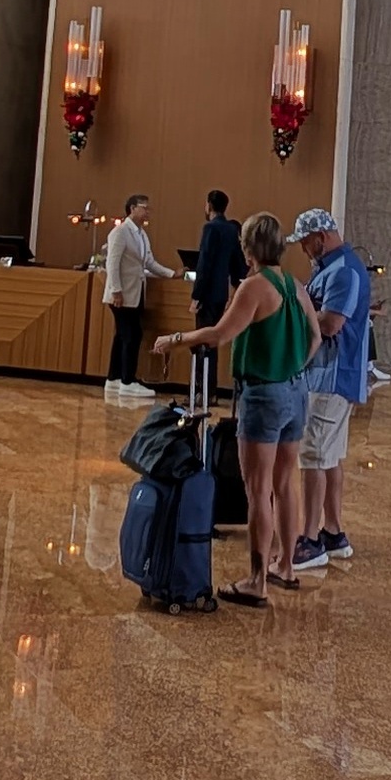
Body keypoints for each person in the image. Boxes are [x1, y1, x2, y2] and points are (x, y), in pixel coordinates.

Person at [154, 211, 315, 607]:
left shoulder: (254, 286)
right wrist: (294, 365)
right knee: (285, 483)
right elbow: (314, 335)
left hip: (263, 395)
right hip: (296, 392)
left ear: (248, 249)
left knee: (257, 489)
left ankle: (257, 581)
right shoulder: (295, 286)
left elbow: (219, 334)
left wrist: (175, 338)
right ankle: (286, 566)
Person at [290, 209, 371, 573]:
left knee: (313, 456)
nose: (303, 250)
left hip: (331, 377)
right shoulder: (330, 269)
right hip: (327, 375)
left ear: (321, 237)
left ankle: (309, 541)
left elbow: (330, 323)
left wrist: (297, 305)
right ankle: (334, 533)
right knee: (331, 456)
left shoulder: (344, 271)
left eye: (305, 242)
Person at [101, 193, 172, 404]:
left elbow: (149, 262)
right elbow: (112, 263)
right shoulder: (120, 232)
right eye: (144, 207)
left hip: (135, 292)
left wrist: (171, 274)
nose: (147, 211)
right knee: (131, 335)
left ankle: (114, 378)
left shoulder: (141, 234)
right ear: (132, 209)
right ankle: (127, 381)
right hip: (121, 294)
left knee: (123, 335)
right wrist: (116, 290)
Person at [189, 189, 245, 396]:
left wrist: (196, 296)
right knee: (212, 342)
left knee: (202, 342)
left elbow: (204, 263)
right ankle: (209, 390)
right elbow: (237, 265)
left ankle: (202, 391)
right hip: (221, 293)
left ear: (209, 205)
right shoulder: (231, 229)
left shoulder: (210, 228)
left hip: (207, 294)